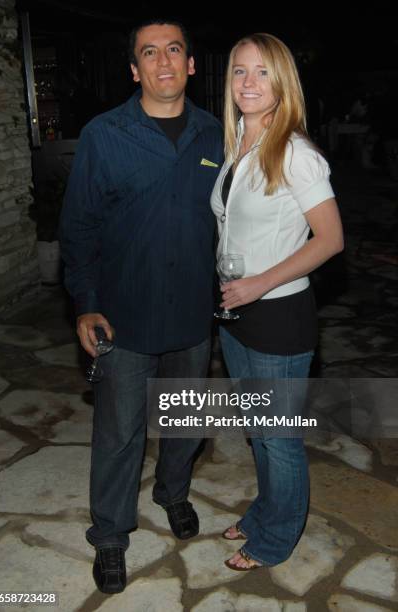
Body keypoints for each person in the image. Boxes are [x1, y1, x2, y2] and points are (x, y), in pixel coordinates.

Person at [59, 19, 223, 593]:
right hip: (123, 316)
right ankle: (109, 534)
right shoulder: (105, 135)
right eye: (149, 53)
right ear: (134, 70)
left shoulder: (218, 136)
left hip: (190, 316)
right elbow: (78, 227)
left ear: (191, 64)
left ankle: (173, 493)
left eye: (174, 50)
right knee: (119, 433)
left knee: (185, 423)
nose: (163, 62)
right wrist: (85, 303)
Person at [210, 33, 344, 570]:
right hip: (235, 312)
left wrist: (259, 282)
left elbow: (331, 240)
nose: (248, 82)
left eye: (263, 72)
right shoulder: (239, 139)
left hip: (277, 315)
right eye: (240, 71)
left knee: (278, 437)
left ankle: (277, 537)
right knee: (256, 430)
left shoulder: (295, 151)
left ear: (283, 82)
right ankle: (266, 508)